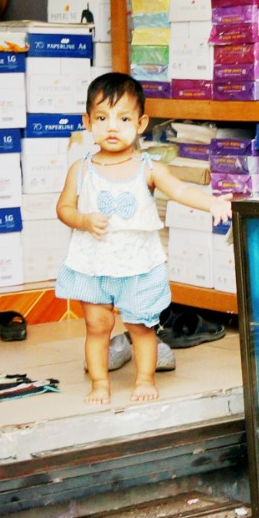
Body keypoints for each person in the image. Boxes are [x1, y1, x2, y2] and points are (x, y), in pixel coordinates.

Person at [56, 74, 231, 405]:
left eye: (123, 119)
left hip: (137, 263)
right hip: (93, 264)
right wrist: (82, 219)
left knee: (140, 327)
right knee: (96, 326)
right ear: (87, 122)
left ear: (141, 123)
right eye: (101, 118)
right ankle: (99, 383)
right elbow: (63, 208)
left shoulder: (147, 167)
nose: (112, 127)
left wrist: (213, 203)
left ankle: (145, 378)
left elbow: (179, 189)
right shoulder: (81, 170)